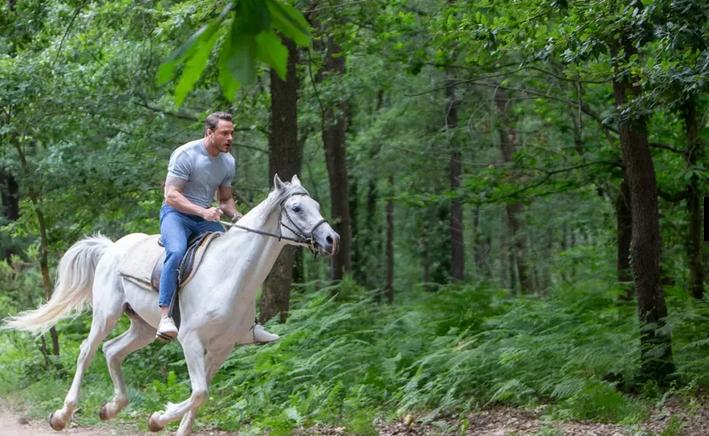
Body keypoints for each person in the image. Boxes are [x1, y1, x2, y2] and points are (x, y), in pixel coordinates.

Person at [157, 111, 279, 344]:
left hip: (206, 217)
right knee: (176, 251)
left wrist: (237, 216)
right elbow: (171, 195)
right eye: (224, 133)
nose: (230, 138)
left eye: (232, 133)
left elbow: (225, 200)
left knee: (239, 258)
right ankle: (165, 316)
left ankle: (249, 325)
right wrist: (203, 211)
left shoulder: (228, 162)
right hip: (176, 215)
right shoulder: (186, 154)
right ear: (209, 133)